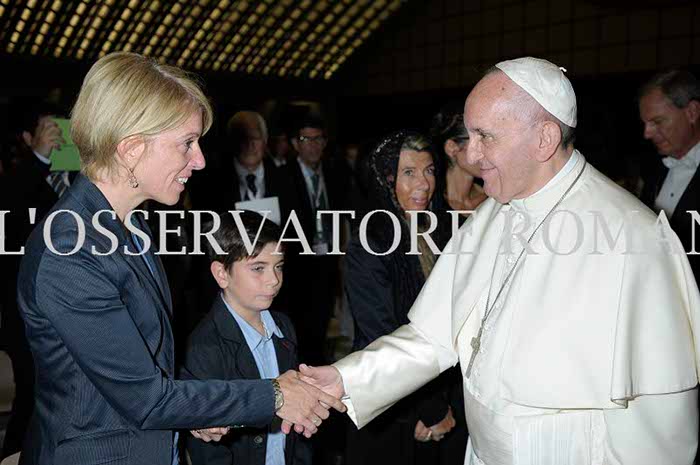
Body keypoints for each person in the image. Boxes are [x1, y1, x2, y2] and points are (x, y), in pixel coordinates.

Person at [301, 56, 700, 465]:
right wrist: (346, 378)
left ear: (544, 139)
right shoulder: (496, 210)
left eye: (484, 137)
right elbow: (435, 336)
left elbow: (661, 422)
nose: (470, 156)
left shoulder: (634, 236)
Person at [16, 52, 344, 465]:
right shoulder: (71, 252)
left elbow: (146, 367)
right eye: (187, 143)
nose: (200, 159)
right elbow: (147, 398)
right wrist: (276, 393)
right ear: (132, 149)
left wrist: (198, 412)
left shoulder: (129, 223)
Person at [343, 131, 459, 465]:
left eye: (430, 170)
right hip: (389, 406)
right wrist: (432, 411)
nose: (423, 183)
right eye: (409, 173)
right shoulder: (371, 242)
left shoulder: (440, 229)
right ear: (386, 177)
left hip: (438, 388)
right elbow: (383, 334)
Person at [184, 211, 311, 465]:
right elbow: (208, 452)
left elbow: (300, 423)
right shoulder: (204, 347)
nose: (273, 280)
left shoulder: (283, 327)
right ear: (222, 274)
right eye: (258, 268)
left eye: (278, 266)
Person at [0, 102, 71, 458]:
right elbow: (9, 217)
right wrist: (40, 159)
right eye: (49, 128)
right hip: (27, 313)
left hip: (73, 308)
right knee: (32, 395)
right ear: (29, 137)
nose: (59, 136)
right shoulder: (17, 179)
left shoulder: (80, 178)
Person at [282, 114, 347, 365]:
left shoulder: (334, 173)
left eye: (318, 138)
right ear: (295, 144)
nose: (313, 144)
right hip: (295, 268)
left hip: (327, 263)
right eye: (305, 139)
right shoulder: (281, 177)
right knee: (298, 331)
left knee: (321, 328)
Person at [639, 69, 700, 278]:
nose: (647, 133)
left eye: (657, 122)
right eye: (645, 123)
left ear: (692, 112)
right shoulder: (652, 168)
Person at [430, 104, 488, 226]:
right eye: (478, 142)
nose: (488, 151)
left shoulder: (494, 197)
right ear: (452, 148)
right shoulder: (431, 207)